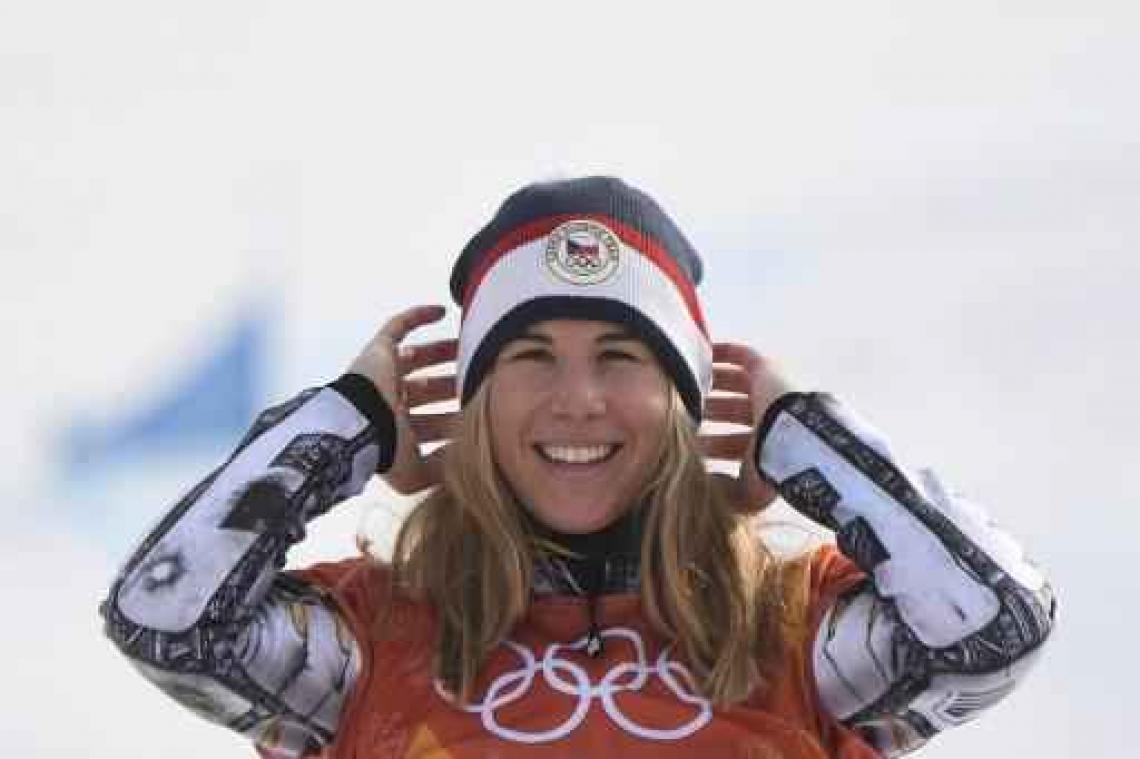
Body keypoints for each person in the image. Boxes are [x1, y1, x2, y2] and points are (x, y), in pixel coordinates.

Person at [101, 177, 1055, 758]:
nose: (578, 398)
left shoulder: (798, 634)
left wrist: (810, 441)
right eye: (530, 357)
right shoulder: (373, 640)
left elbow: (995, 628)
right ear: (472, 402)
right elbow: (165, 621)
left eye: (621, 356)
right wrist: (343, 426)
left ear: (686, 398)